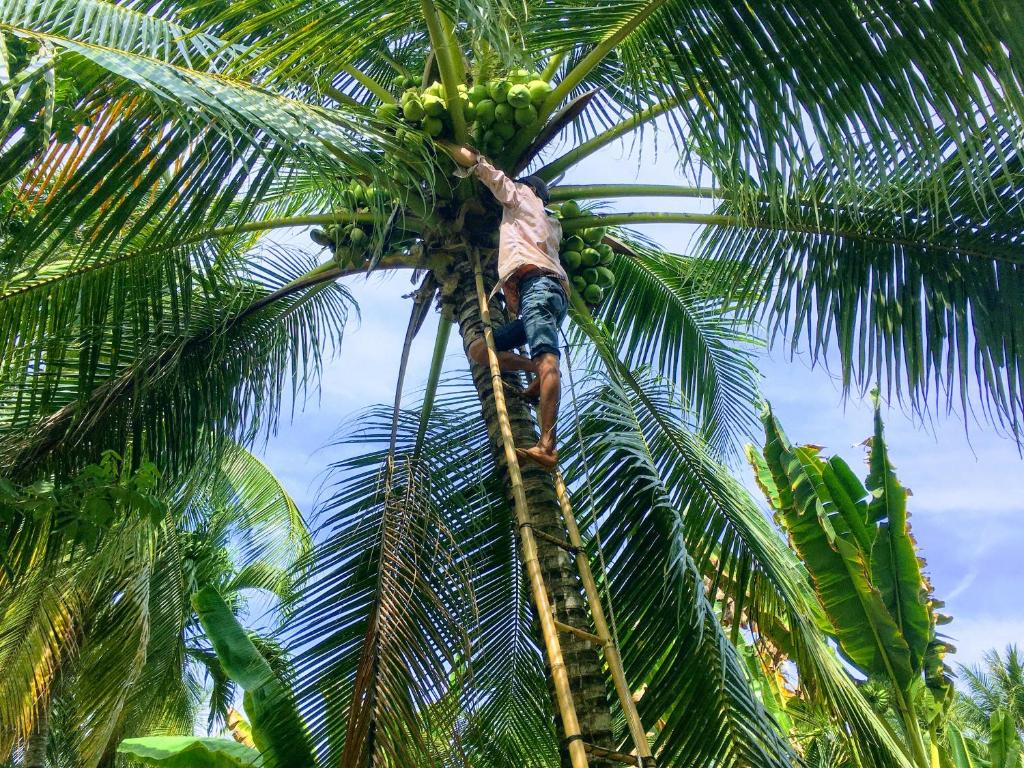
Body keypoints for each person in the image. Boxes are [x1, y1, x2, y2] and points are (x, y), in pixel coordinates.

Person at [445, 144, 569, 471]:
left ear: (529, 189)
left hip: (537, 289)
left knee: (548, 360)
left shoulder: (522, 198)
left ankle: (547, 446)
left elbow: (492, 175)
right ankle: (535, 375)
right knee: (480, 349)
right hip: (548, 296)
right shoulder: (552, 223)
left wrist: (459, 152)